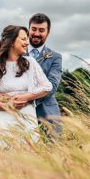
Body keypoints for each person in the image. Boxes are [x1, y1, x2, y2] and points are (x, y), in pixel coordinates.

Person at [0, 25, 52, 152]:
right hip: (5, 119)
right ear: (11, 42)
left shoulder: (30, 63)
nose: (27, 43)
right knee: (4, 155)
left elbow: (46, 87)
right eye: (23, 39)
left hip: (27, 117)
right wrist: (8, 105)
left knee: (29, 157)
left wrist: (25, 97)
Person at [25, 13, 63, 142]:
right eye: (33, 29)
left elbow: (52, 86)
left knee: (52, 152)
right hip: (19, 112)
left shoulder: (55, 57)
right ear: (28, 29)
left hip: (47, 113)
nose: (36, 33)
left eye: (41, 30)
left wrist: (27, 99)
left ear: (48, 32)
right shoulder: (16, 53)